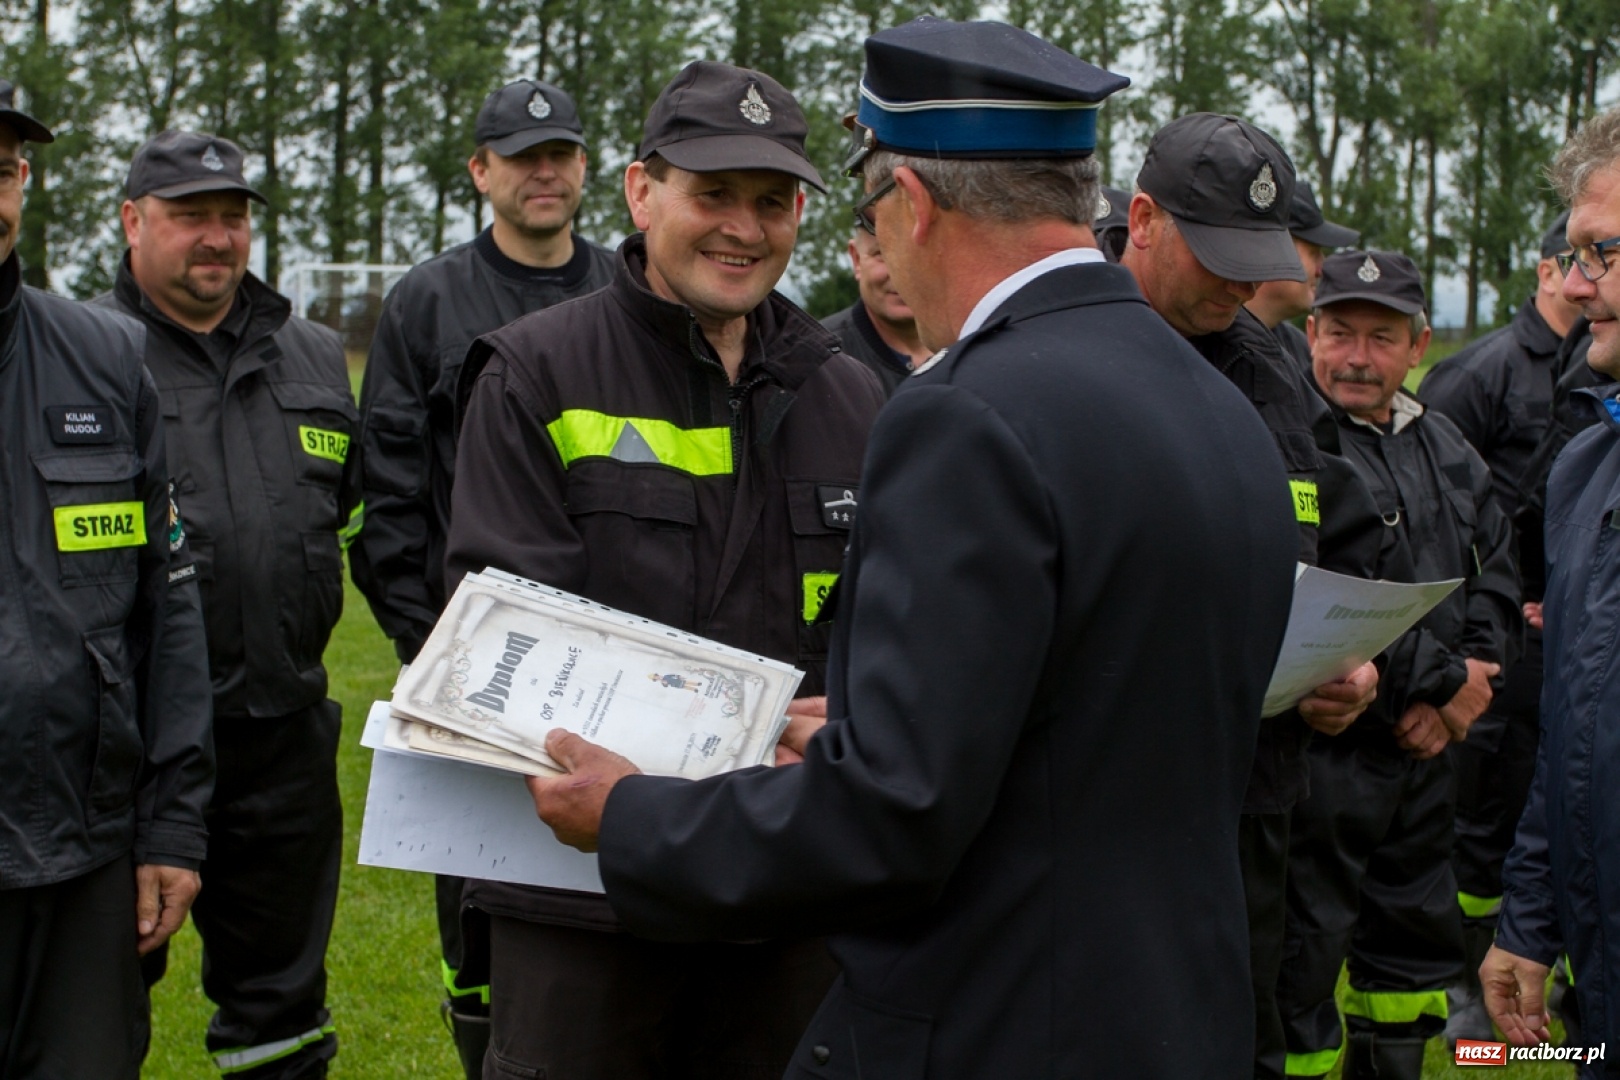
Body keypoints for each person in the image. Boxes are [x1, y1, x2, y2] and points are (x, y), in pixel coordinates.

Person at [522, 18, 1301, 1078]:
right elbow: (1109, 714)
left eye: (875, 223)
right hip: (1178, 1015)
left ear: (913, 207)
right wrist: (891, 721)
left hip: (1003, 1025)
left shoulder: (965, 416)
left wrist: (635, 819)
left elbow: (890, 820)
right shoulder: (1219, 410)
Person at [444, 60, 886, 1078]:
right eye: (713, 193)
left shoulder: (851, 395)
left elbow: (885, 636)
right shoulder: (533, 374)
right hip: (583, 895)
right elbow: (511, 647)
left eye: (772, 201)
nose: (745, 226)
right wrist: (762, 725)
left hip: (785, 893)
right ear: (642, 192)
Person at [346, 77, 615, 1077]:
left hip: (610, 655)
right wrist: (436, 652)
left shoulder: (625, 285)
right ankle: (482, 1051)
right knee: (479, 895)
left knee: (599, 881)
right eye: (522, 155)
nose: (545, 171)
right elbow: (392, 490)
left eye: (562, 153)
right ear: (480, 171)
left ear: (587, 169)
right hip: (472, 667)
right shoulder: (427, 300)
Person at [1119, 110, 1384, 1080]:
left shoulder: (1269, 364)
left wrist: (1352, 660)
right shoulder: (1068, 349)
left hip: (1254, 785)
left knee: (1243, 1033)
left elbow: (1327, 533)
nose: (1240, 282)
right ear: (1142, 221)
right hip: (1115, 801)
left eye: (1258, 257)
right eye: (1218, 254)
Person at [95, 129, 360, 1078]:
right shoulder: (84, 353)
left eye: (233, 216)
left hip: (282, 742)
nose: (217, 238)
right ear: (132, 221)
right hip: (124, 750)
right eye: (190, 216)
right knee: (94, 1004)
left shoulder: (317, 357)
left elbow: (366, 520)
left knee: (281, 1013)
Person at [0, 85, 213, 1079]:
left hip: (83, 853)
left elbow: (166, 609)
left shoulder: (101, 356)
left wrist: (170, 823)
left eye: (1, 172)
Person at [1278, 250, 1519, 1080]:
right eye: (1339, 332)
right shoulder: (1288, 440)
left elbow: (1499, 568)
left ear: (1418, 346)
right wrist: (1440, 685)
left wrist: (1474, 679)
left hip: (1427, 760)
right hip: (1323, 763)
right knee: (1299, 962)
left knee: (1411, 955)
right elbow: (1329, 585)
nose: (1355, 357)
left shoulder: (1446, 443)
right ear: (1309, 332)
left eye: (1381, 339)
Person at [1417, 208, 1580, 1043]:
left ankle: (1567, 976)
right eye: (1576, 258)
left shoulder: (1603, 365)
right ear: (1548, 270)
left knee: (1565, 808)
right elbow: (1440, 510)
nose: (1589, 281)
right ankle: (1466, 985)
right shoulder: (1478, 374)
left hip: (1585, 633)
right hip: (1505, 640)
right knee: (1488, 813)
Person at [1483, 104, 1620, 1076]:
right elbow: (1575, 721)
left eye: (1602, 254)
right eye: (1576, 257)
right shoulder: (1584, 474)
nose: (1577, 287)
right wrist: (1530, 914)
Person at [1246, 179, 1361, 366]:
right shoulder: (1200, 344)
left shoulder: (1300, 350)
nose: (1321, 269)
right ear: (1271, 249)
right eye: (1314, 252)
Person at [821, 226, 930, 393]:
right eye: (883, 254)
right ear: (856, 259)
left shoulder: (976, 349)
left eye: (919, 252)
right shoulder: (819, 359)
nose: (902, 274)